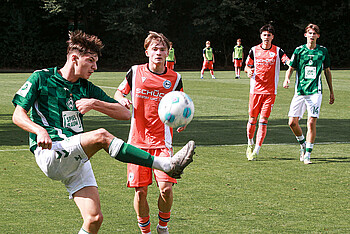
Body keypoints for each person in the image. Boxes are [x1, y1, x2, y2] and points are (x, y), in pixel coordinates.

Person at [11, 30, 195, 234]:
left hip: (75, 156)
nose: (95, 67)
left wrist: (95, 103)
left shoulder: (85, 87)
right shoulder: (42, 77)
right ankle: (166, 164)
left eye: (96, 62)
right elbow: (18, 115)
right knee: (101, 136)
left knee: (94, 219)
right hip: (52, 151)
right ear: (74, 58)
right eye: (90, 61)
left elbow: (126, 113)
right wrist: (39, 131)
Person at [114, 31, 191, 234]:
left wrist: (183, 121)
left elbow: (181, 104)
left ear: (168, 52)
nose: (158, 52)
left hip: (162, 142)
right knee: (140, 192)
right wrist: (122, 99)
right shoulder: (135, 71)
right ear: (147, 51)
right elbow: (119, 92)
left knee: (166, 188)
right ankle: (145, 231)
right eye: (154, 49)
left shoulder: (175, 78)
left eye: (162, 49)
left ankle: (162, 227)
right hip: (136, 142)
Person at [283, 23, 334, 164]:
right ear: (305, 35)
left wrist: (331, 91)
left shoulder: (322, 51)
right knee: (292, 123)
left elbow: (327, 71)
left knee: (311, 122)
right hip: (300, 91)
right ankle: (303, 145)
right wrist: (287, 78)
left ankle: (308, 155)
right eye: (309, 33)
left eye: (314, 33)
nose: (312, 36)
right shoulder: (299, 50)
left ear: (318, 36)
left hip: (315, 92)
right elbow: (291, 68)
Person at [244, 24, 289, 161]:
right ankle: (250, 143)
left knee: (263, 121)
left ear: (272, 37)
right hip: (255, 91)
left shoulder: (277, 51)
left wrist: (292, 64)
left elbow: (287, 61)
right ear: (261, 36)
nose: (266, 37)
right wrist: (248, 71)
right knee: (252, 119)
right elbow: (247, 66)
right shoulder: (254, 50)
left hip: (270, 92)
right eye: (264, 35)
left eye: (269, 35)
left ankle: (256, 151)